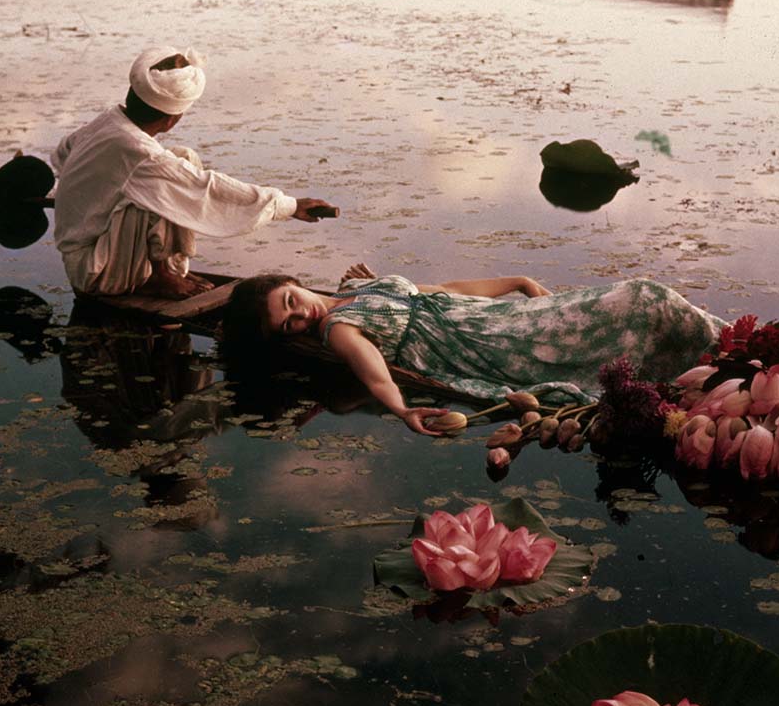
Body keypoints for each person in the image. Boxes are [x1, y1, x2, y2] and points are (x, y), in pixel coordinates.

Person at [221, 266, 721, 435]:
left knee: (640, 296)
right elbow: (373, 372)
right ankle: (720, 367)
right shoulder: (339, 330)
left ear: (292, 281)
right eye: (286, 324)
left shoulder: (356, 288)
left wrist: (515, 282)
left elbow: (436, 291)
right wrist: (401, 410)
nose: (298, 314)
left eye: (290, 301)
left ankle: (730, 350)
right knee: (638, 298)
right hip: (486, 347)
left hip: (494, 320)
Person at [51, 46, 335, 300]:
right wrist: (290, 206)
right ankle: (159, 277)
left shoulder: (107, 121)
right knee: (167, 186)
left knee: (181, 159)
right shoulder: (139, 153)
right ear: (173, 118)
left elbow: (63, 155)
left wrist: (85, 192)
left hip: (85, 254)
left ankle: (166, 268)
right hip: (96, 272)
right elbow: (205, 188)